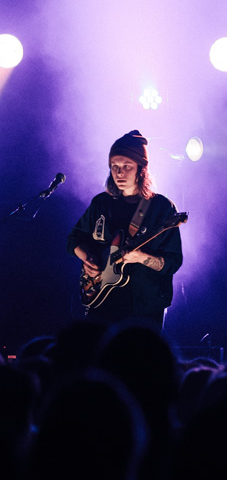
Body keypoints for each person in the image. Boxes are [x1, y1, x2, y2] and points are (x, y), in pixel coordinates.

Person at [68, 130, 183, 332]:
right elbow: (73, 239)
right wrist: (88, 259)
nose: (119, 173)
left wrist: (141, 258)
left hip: (144, 305)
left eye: (127, 167)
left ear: (141, 169)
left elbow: (172, 262)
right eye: (115, 167)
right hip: (102, 303)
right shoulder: (101, 203)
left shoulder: (162, 209)